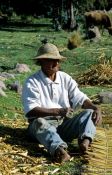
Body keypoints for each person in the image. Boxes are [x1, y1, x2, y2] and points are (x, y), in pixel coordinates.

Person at [22, 42, 102, 164]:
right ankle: (59, 150)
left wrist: (95, 107)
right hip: (42, 127)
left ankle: (84, 142)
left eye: (57, 60)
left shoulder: (64, 78)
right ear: (41, 62)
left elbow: (79, 97)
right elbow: (31, 110)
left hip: (63, 124)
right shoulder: (32, 82)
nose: (55, 63)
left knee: (89, 113)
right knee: (39, 123)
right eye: (50, 60)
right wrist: (58, 111)